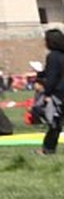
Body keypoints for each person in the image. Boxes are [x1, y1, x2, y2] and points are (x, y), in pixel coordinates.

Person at [39, 26, 64, 156]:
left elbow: (52, 77)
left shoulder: (53, 56)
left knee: (55, 122)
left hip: (60, 93)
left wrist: (47, 93)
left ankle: (48, 149)